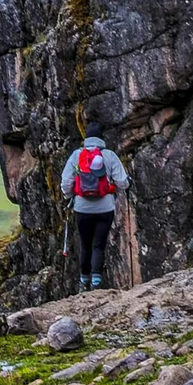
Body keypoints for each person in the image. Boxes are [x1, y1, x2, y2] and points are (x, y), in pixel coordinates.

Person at [61, 121, 130, 290]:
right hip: (105, 209)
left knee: (85, 244)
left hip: (82, 208)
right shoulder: (109, 156)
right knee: (98, 245)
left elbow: (66, 181)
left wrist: (69, 196)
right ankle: (96, 282)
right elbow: (122, 182)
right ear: (101, 139)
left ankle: (83, 280)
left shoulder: (77, 155)